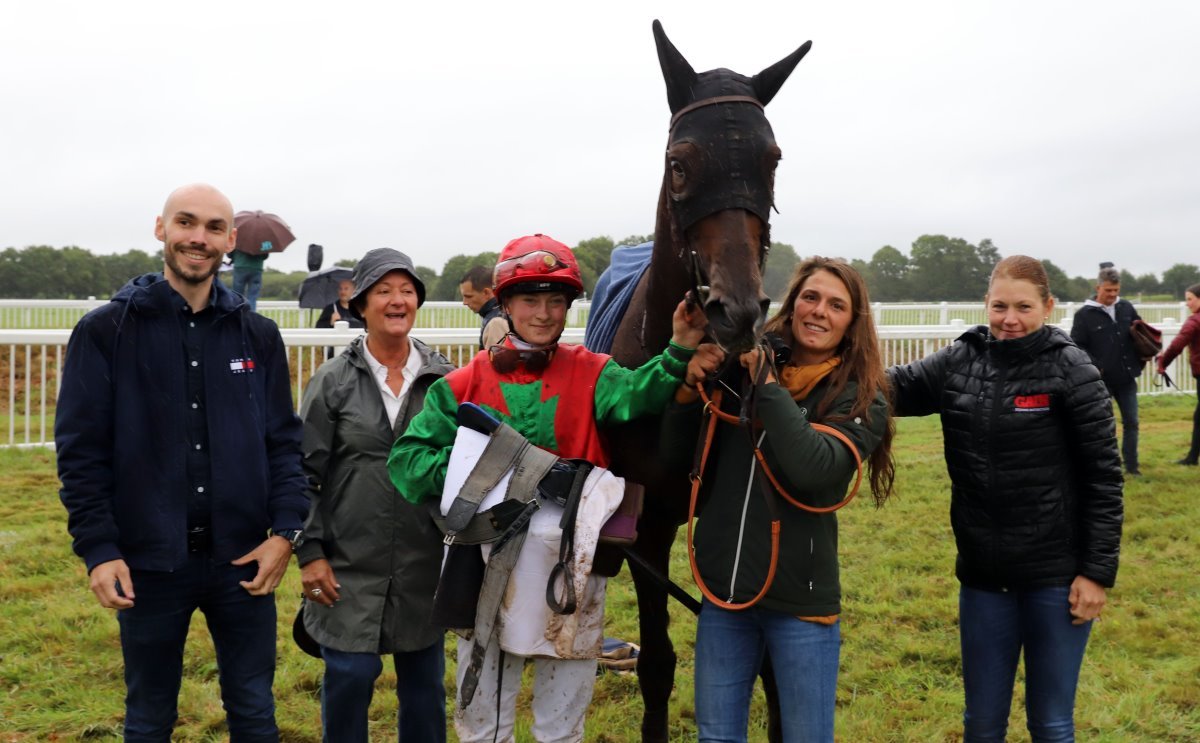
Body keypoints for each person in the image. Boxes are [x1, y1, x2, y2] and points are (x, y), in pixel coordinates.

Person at [388, 234, 706, 743]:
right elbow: (407, 462)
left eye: (555, 301)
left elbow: (641, 393)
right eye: (529, 301)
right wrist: (496, 470)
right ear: (506, 305)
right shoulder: (462, 385)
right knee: (484, 726)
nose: (543, 314)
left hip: (571, 570)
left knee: (562, 728)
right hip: (486, 568)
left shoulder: (595, 373)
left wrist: (680, 347)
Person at [55, 183, 309, 742]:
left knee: (255, 713)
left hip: (244, 559)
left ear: (231, 240)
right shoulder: (106, 331)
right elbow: (81, 453)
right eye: (186, 222)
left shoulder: (257, 335)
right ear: (161, 228)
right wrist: (100, 549)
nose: (199, 238)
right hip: (147, 562)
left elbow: (283, 443)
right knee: (149, 718)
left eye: (214, 228)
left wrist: (285, 533)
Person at [659, 257, 896, 742]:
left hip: (801, 604)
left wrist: (766, 385)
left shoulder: (861, 397)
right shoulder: (740, 366)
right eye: (811, 297)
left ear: (852, 322)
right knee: (716, 738)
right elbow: (676, 458)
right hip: (724, 594)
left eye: (836, 305)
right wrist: (686, 387)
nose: (819, 311)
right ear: (792, 304)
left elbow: (814, 468)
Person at [889, 255, 1124, 742]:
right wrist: (817, 364)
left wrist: (1096, 573)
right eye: (999, 307)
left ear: (1048, 307)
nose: (1009, 319)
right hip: (984, 579)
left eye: (1023, 307)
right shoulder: (961, 359)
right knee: (981, 725)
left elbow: (1104, 478)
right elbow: (892, 387)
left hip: (1056, 581)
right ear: (986, 304)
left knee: (1051, 724)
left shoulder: (1073, 370)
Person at [296, 248, 451, 742]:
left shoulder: (444, 380)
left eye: (407, 290)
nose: (397, 300)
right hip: (348, 562)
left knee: (425, 687)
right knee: (351, 675)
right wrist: (310, 553)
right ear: (361, 304)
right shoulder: (333, 381)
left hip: (422, 561)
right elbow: (303, 472)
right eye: (383, 291)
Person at [1070, 264, 1146, 475]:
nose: (1112, 294)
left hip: (1127, 377)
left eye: (1116, 290)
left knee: (1132, 422)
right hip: (1101, 381)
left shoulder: (1126, 307)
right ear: (1098, 288)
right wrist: (1097, 366)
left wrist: (1146, 349)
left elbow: (1140, 331)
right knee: (1103, 426)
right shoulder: (1084, 315)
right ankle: (1107, 466)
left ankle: (1132, 466)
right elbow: (1078, 345)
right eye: (1108, 290)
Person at [1156, 282, 1200, 466]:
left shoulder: (1194, 321)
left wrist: (1162, 362)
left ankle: (1192, 458)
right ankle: (1192, 457)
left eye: (1190, 299)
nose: (1187, 303)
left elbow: (1177, 345)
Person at [460, 264, 507, 349]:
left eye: (469, 296)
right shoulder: (500, 311)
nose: (464, 302)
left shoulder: (495, 322)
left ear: (486, 293)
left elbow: (495, 357)